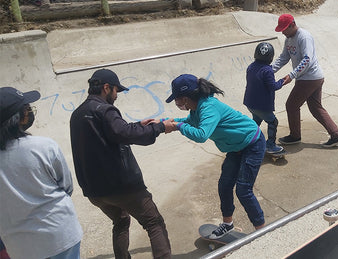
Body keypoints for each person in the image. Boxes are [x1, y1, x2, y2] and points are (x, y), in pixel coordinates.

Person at [70, 69, 175, 259]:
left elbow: (114, 132)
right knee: (154, 223)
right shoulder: (105, 110)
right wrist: (159, 127)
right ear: (106, 87)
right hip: (122, 188)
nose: (116, 96)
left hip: (95, 191)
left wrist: (138, 125)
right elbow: (123, 133)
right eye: (116, 90)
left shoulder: (77, 114)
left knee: (120, 221)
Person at [162, 74, 266, 239]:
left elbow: (201, 134)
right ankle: (227, 224)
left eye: (179, 100)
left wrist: (178, 126)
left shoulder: (208, 107)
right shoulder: (197, 109)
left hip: (252, 144)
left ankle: (263, 231)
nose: (178, 104)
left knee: (243, 190)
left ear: (187, 97)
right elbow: (189, 121)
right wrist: (163, 122)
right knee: (224, 185)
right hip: (235, 147)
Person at [0, 87, 83, 259]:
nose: (29, 112)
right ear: (20, 117)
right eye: (27, 108)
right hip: (60, 235)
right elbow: (67, 186)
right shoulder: (44, 146)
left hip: (20, 246)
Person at [272, 13, 338, 147]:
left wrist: (292, 75)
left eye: (284, 29)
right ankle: (336, 135)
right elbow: (284, 57)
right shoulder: (288, 39)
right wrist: (270, 70)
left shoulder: (304, 37)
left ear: (292, 25)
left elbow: (307, 59)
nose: (283, 32)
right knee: (315, 107)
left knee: (291, 105)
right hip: (311, 78)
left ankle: (295, 136)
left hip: (309, 78)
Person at [244, 42, 286, 154]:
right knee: (273, 122)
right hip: (262, 105)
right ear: (271, 57)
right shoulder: (267, 70)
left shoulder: (251, 67)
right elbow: (273, 86)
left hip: (250, 103)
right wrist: (283, 81)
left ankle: (248, 142)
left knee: (256, 122)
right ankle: (270, 145)